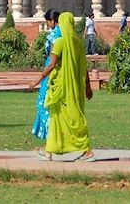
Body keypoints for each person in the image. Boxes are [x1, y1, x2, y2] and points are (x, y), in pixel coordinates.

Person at [32, 12, 94, 162]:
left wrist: (37, 80)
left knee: (65, 119)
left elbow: (52, 64)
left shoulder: (59, 42)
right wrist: (88, 86)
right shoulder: (78, 44)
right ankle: (50, 150)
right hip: (75, 87)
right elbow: (84, 67)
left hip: (60, 87)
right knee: (66, 118)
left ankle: (86, 151)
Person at [31, 9, 61, 141]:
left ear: (53, 21)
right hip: (58, 71)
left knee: (43, 104)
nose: (48, 25)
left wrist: (37, 80)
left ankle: (51, 136)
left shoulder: (55, 35)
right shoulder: (64, 33)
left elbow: (52, 61)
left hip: (51, 71)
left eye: (48, 22)